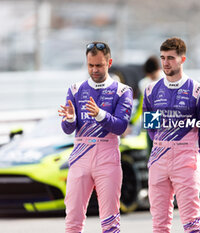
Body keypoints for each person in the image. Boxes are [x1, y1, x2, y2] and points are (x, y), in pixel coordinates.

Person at [58, 41, 133, 233]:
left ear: (109, 62)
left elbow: (121, 127)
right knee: (73, 220)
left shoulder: (122, 91)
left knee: (110, 222)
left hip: (107, 158)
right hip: (80, 156)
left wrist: (100, 114)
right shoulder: (75, 89)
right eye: (90, 65)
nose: (94, 70)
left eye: (99, 65)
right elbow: (68, 129)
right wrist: (70, 119)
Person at [143, 37, 200, 233]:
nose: (166, 62)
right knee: (159, 224)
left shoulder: (198, 91)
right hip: (159, 158)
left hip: (187, 159)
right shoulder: (151, 91)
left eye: (171, 58)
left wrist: (189, 147)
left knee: (191, 222)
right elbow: (151, 128)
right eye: (163, 58)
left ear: (182, 59)